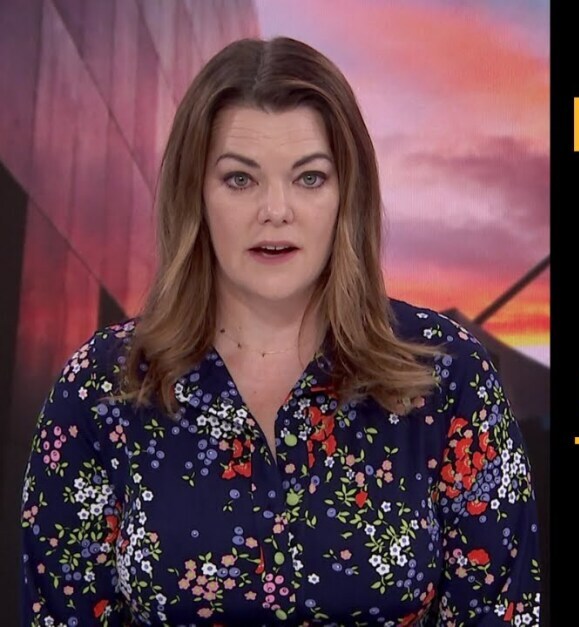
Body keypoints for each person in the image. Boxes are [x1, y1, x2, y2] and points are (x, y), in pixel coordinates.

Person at [19, 37, 541, 626]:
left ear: (348, 195)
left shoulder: (445, 373)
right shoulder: (103, 384)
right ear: (196, 195)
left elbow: (500, 610)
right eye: (240, 179)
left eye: (309, 178)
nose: (276, 209)